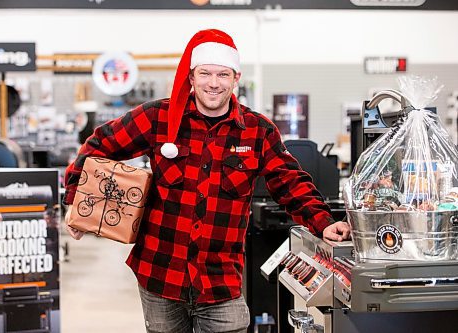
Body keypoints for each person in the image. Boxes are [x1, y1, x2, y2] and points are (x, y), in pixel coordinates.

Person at [63, 29, 350, 333]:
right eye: (206, 74)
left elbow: (290, 181)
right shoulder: (157, 118)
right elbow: (99, 146)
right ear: (191, 77)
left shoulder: (257, 131)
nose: (214, 83)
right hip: (160, 276)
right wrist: (77, 205)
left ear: (235, 78)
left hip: (221, 282)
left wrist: (323, 221)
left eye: (223, 75)